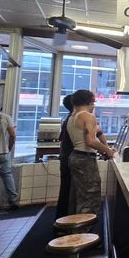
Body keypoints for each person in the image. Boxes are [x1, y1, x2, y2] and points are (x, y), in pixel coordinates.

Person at [66, 89, 114, 216]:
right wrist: (108, 151)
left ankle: (77, 230)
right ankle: (86, 232)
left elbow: (96, 133)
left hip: (75, 156)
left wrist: (105, 147)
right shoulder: (87, 116)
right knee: (90, 198)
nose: (94, 105)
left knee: (80, 196)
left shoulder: (72, 116)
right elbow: (91, 141)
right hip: (85, 159)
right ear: (90, 101)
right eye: (94, 102)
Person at [55, 94, 74, 222]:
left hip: (66, 157)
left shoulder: (69, 118)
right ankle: (65, 221)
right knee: (68, 190)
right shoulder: (75, 118)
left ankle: (62, 219)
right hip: (70, 158)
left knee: (66, 189)